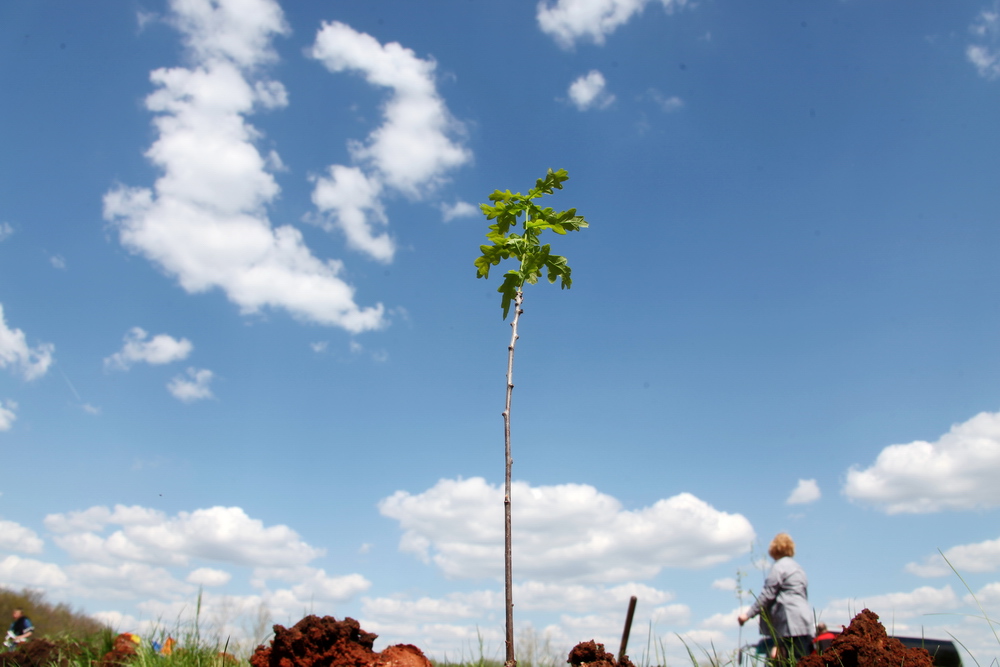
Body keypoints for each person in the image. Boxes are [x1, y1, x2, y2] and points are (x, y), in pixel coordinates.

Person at [738, 533, 812, 664]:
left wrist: (747, 615)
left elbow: (767, 594)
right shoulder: (799, 568)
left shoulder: (779, 567)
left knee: (786, 660)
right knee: (802, 660)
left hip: (788, 622)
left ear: (774, 549)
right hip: (804, 621)